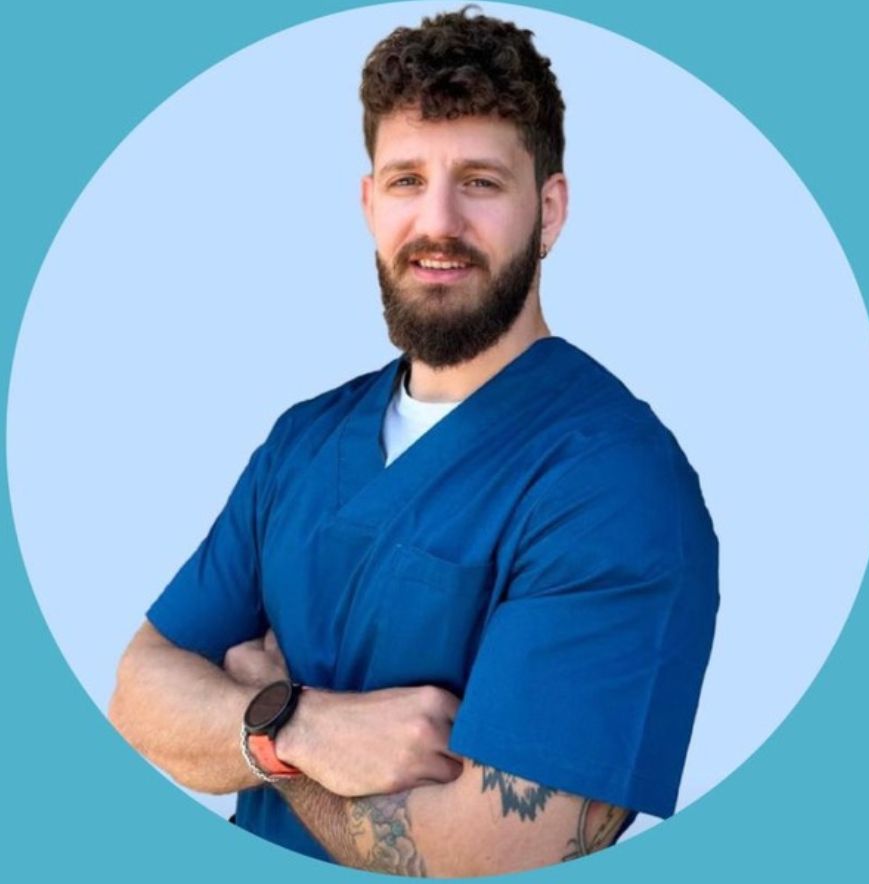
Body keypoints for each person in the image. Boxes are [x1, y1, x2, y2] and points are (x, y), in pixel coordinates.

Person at [109, 7, 719, 877]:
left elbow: (490, 855)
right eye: (406, 181)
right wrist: (303, 729)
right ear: (369, 204)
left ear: (549, 212)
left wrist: (255, 714)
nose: (438, 223)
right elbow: (139, 693)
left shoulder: (615, 485)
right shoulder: (302, 443)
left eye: (480, 182)